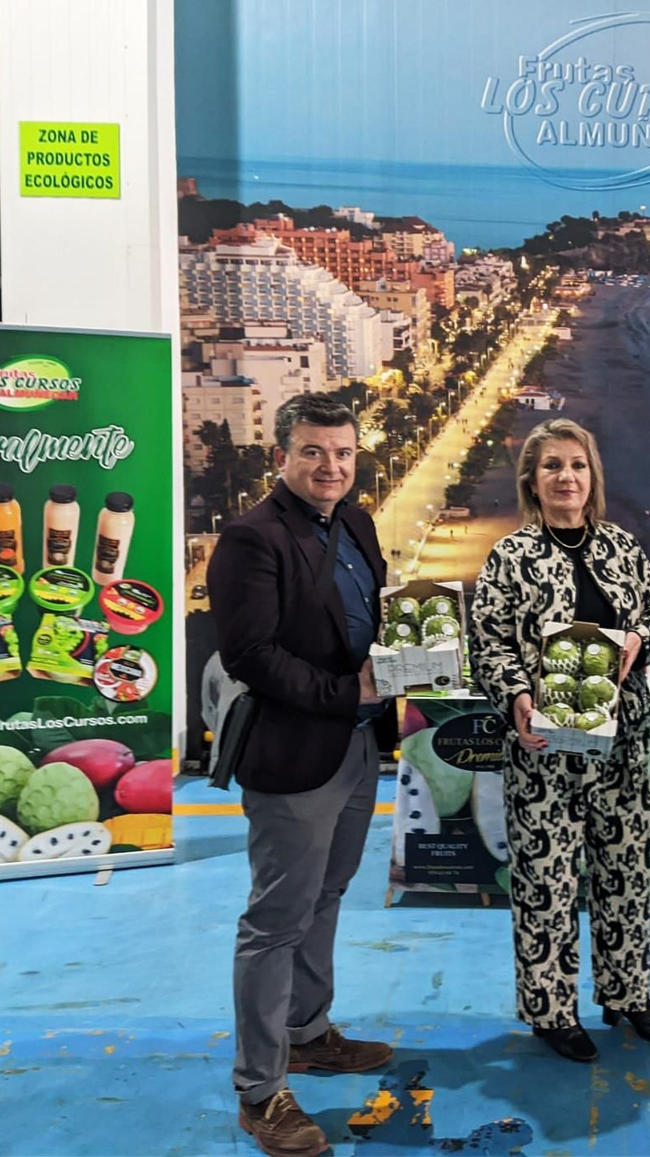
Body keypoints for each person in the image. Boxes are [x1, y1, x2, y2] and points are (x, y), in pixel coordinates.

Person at [209, 393, 393, 1157]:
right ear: (282, 454)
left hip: (357, 746)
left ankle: (309, 1032)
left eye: (343, 452)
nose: (331, 466)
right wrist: (346, 691)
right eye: (314, 451)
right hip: (294, 753)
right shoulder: (251, 538)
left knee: (327, 893)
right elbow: (250, 654)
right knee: (275, 920)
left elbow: (372, 616)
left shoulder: (356, 523)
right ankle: (260, 1090)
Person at [469, 418, 650, 1064]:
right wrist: (516, 696)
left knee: (626, 872)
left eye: (578, 465)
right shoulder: (510, 557)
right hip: (541, 749)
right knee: (546, 881)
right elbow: (489, 643)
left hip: (621, 744)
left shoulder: (622, 547)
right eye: (553, 466)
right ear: (532, 481)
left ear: (594, 477)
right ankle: (552, 1010)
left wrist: (643, 637)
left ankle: (628, 993)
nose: (567, 477)